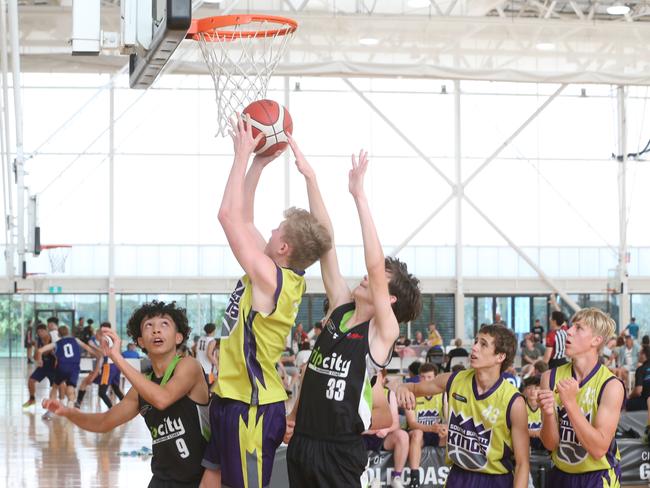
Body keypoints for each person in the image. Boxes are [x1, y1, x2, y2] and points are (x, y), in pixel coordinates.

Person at [200, 116, 332, 488]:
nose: (269, 231)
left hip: (252, 408)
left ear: (284, 247)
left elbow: (228, 216)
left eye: (276, 230)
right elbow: (243, 216)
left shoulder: (270, 277)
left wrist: (241, 154)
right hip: (231, 397)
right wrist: (258, 164)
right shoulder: (275, 271)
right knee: (211, 478)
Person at [284, 139, 422, 488]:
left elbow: (375, 266)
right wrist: (311, 178)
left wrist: (359, 197)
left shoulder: (382, 334)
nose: (367, 277)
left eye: (379, 282)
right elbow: (325, 242)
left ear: (389, 299)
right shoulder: (340, 306)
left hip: (339, 450)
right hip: (304, 441)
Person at [42, 300, 210, 488]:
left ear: (178, 337)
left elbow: (163, 398)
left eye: (164, 324)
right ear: (140, 341)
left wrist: (116, 357)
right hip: (162, 480)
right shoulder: (141, 389)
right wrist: (68, 412)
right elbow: (103, 422)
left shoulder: (188, 365)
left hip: (201, 480)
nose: (156, 330)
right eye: (149, 326)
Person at [397, 325, 530, 488]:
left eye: (483, 344)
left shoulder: (514, 401)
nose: (474, 348)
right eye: (475, 342)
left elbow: (522, 463)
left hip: (495, 479)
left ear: (500, 356)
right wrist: (402, 387)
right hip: (459, 476)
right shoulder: (453, 380)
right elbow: (413, 388)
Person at [537, 308, 624, 486]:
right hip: (560, 474)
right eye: (571, 326)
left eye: (578, 328)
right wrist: (547, 414)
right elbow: (550, 444)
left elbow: (598, 449)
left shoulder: (611, 385)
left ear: (596, 340)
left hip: (597, 477)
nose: (568, 331)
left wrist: (570, 403)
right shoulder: (549, 377)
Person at [36, 325, 101, 418]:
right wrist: (98, 356)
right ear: (69, 332)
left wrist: (40, 360)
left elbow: (40, 350)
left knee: (55, 386)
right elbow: (88, 348)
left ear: (58, 334)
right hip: (74, 367)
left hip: (62, 366)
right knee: (71, 387)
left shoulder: (57, 343)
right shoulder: (76, 340)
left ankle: (50, 411)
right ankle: (70, 409)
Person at [363, 371, 410, 488]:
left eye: (377, 377)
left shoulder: (389, 394)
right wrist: (372, 430)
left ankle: (397, 477)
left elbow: (395, 423)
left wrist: (386, 430)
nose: (373, 379)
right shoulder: (359, 393)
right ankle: (367, 479)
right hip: (362, 435)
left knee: (402, 435)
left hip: (382, 435)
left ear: (383, 379)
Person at [405, 362, 447, 488]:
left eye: (429, 377)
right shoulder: (411, 394)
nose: (425, 380)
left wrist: (444, 428)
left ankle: (456, 473)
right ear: (419, 378)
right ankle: (414, 478)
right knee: (417, 434)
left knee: (452, 433)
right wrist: (431, 428)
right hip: (420, 433)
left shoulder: (443, 394)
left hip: (437, 433)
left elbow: (449, 419)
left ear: (436, 378)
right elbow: (412, 423)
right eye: (423, 377)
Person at [75, 322, 124, 410]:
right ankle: (126, 407)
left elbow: (102, 354)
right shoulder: (113, 338)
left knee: (101, 392)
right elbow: (98, 353)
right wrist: (84, 344)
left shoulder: (104, 339)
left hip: (108, 367)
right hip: (115, 366)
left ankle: (112, 410)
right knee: (116, 389)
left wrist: (92, 345)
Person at [23, 323, 55, 408]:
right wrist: (36, 349)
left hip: (53, 367)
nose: (40, 333)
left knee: (55, 387)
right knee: (31, 381)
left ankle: (58, 404)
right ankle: (32, 399)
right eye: (38, 332)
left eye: (41, 331)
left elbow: (47, 352)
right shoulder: (38, 341)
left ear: (46, 331)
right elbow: (35, 356)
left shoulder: (53, 339)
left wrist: (40, 351)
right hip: (43, 367)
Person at [520, 376, 543, 450]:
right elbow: (517, 430)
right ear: (524, 390)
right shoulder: (520, 406)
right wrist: (536, 433)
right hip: (524, 444)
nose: (533, 391)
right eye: (529, 388)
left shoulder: (545, 406)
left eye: (536, 388)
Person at [626, 345, 650, 411]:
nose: (638, 355)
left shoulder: (641, 369)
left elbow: (638, 391)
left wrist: (629, 397)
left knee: (626, 403)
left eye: (639, 353)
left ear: (644, 355)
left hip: (646, 402)